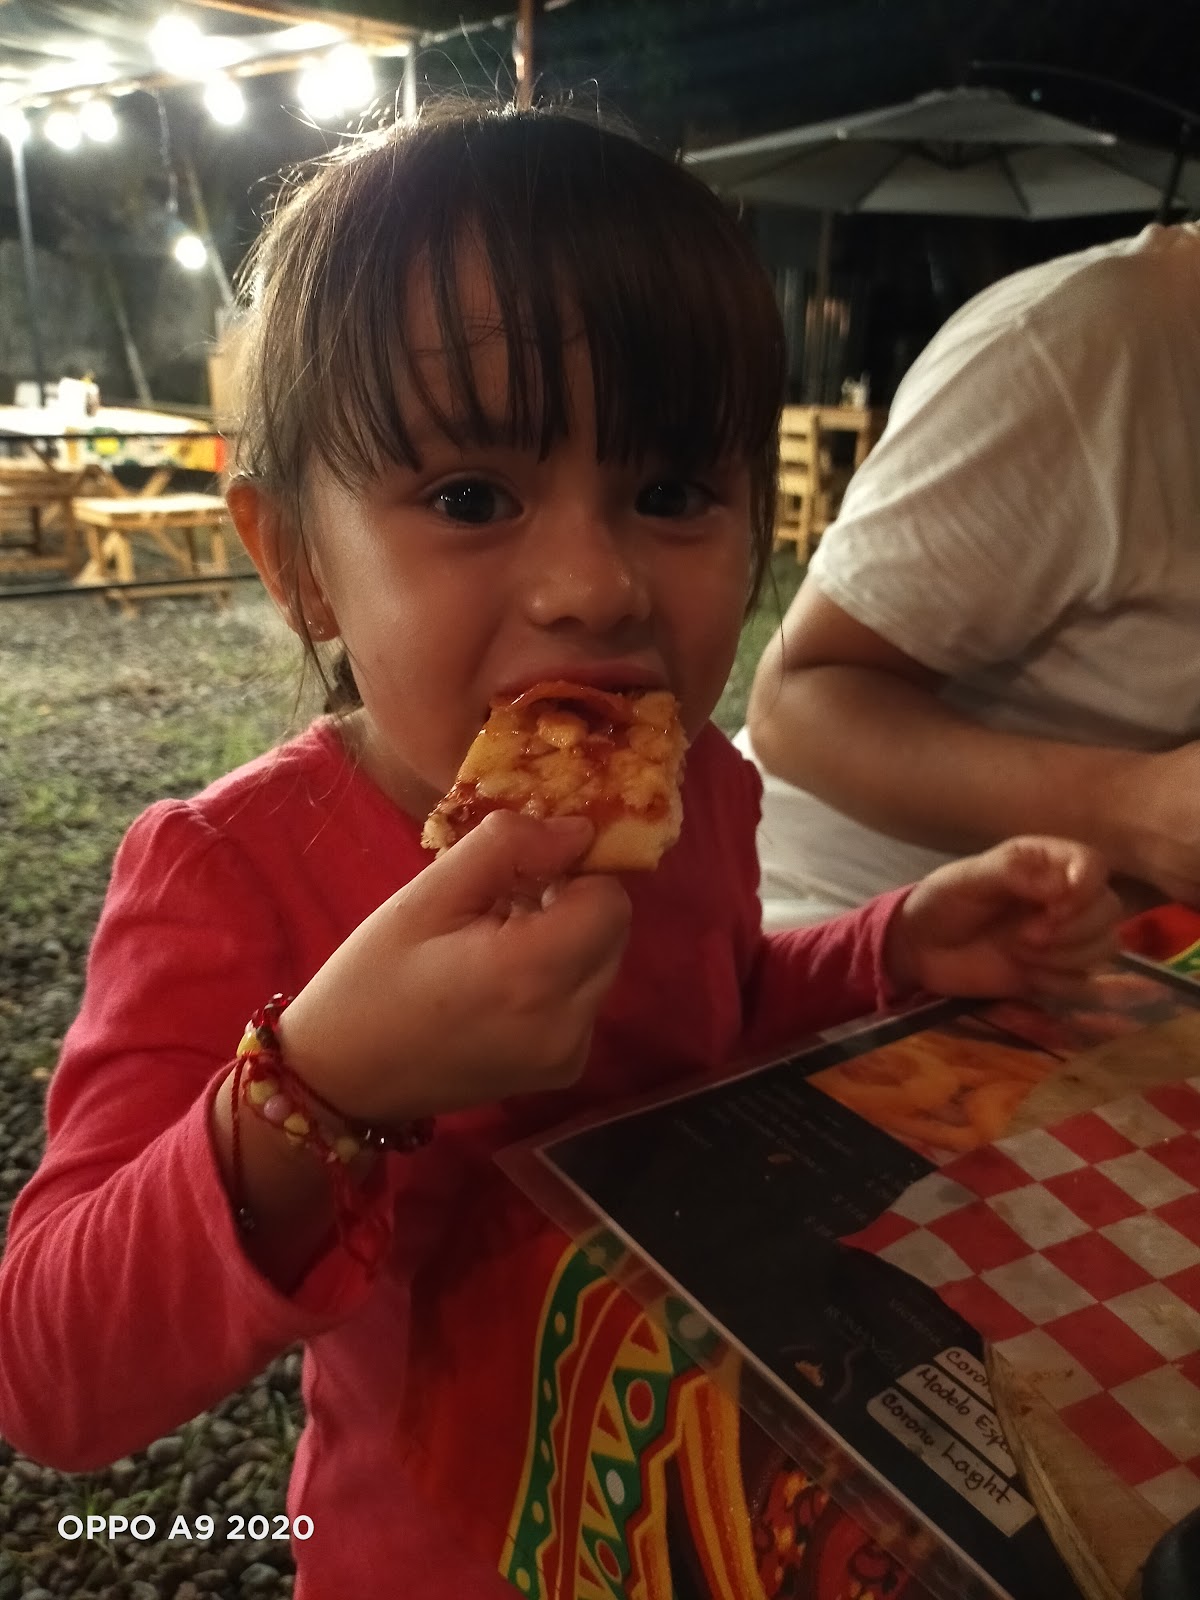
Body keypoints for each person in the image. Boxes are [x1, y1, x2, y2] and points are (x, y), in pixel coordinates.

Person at [0, 103, 1120, 1599]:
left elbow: (713, 1026)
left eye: (672, 494)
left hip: (714, 1482)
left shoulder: (702, 787)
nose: (594, 584)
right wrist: (325, 1091)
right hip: (436, 1542)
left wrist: (891, 948)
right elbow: (49, 1375)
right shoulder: (231, 871)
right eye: (470, 497)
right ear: (298, 564)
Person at [742, 221, 1200, 930]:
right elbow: (790, 704)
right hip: (812, 921)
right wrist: (1135, 810)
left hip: (1088, 951)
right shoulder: (1079, 344)